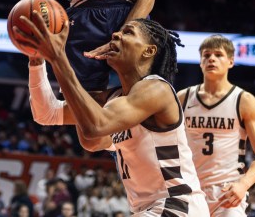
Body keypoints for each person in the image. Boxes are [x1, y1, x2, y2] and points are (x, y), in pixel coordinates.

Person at [15, 13, 209, 216]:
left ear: (149, 51)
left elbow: (95, 127)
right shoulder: (114, 100)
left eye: (128, 32)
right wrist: (36, 60)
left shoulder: (156, 89)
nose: (115, 34)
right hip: (149, 209)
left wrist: (58, 57)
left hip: (177, 204)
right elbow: (47, 113)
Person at [177, 35, 255, 217]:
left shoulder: (244, 100)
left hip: (227, 190)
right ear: (200, 62)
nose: (211, 58)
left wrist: (243, 184)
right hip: (189, 188)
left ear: (231, 61)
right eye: (206, 55)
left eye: (218, 55)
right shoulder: (183, 97)